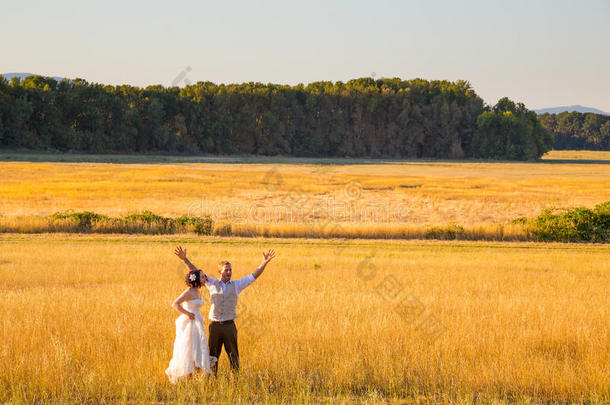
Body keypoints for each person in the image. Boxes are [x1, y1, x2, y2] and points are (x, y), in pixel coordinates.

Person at [174, 246, 275, 374]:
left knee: (234, 356)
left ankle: (236, 380)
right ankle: (212, 380)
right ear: (219, 271)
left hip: (229, 326)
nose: (229, 272)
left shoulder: (237, 285)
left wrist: (264, 263)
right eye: (226, 270)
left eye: (230, 270)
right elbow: (196, 271)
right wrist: (185, 259)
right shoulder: (211, 283)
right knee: (212, 356)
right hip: (215, 326)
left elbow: (253, 276)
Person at [165, 269, 217, 383]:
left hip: (198, 322)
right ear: (197, 279)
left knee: (198, 347)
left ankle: (196, 376)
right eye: (203, 277)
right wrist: (187, 313)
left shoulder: (198, 291)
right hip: (190, 323)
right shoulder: (188, 291)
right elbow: (175, 304)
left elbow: (196, 307)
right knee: (189, 348)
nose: (205, 279)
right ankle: (187, 376)